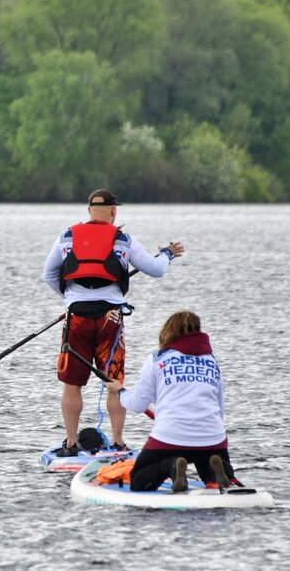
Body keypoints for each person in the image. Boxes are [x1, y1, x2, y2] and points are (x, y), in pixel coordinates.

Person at [41, 188, 184, 457]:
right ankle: (118, 442)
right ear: (114, 211)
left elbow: (48, 275)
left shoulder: (67, 236)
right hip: (111, 319)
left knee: (72, 384)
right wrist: (166, 253)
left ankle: (71, 443)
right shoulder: (123, 239)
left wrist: (71, 297)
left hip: (76, 319)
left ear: (88, 211)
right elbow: (156, 270)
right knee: (114, 381)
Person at [104, 311, 239, 492]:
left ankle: (172, 465)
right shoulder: (212, 361)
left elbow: (137, 405)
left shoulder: (157, 359)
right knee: (206, 460)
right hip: (212, 436)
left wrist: (119, 391)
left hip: (170, 437)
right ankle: (218, 471)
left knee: (138, 480)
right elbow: (220, 411)